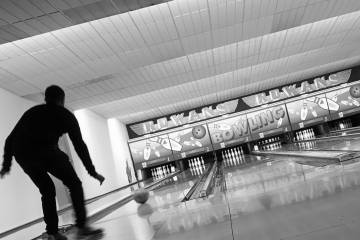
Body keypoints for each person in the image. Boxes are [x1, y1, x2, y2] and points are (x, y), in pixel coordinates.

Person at [0, 85, 105, 240]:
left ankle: (53, 233)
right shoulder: (66, 115)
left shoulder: (32, 112)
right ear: (62, 99)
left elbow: (9, 140)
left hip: (24, 155)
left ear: (45, 98)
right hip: (45, 151)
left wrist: (6, 166)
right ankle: (81, 227)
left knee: (47, 190)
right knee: (74, 184)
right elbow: (79, 145)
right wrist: (92, 171)